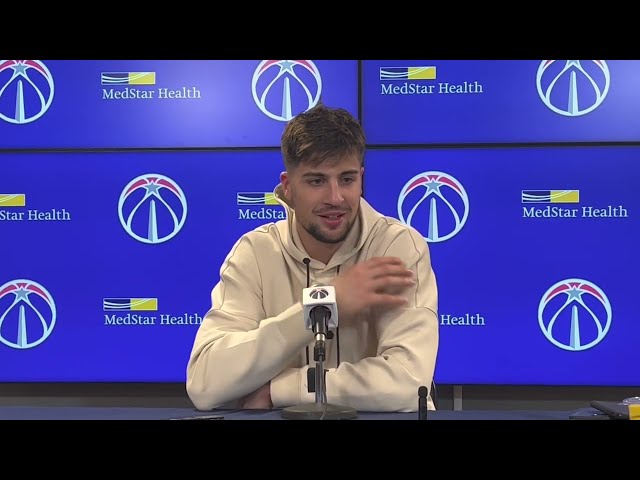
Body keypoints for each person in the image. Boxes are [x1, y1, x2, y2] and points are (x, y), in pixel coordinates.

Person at [186, 103, 439, 412]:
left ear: (361, 178)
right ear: (288, 187)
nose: (335, 198)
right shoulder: (255, 251)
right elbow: (205, 383)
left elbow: (410, 382)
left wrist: (281, 389)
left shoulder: (397, 246)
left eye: (346, 179)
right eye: (316, 181)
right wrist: (323, 305)